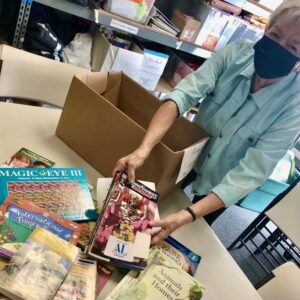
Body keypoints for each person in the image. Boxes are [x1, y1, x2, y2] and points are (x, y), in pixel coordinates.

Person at [113, 1, 300, 245]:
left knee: (185, 239)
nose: (279, 48)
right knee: (143, 212)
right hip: (187, 157)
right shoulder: (236, 53)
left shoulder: (294, 106)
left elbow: (251, 172)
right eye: (275, 36)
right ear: (266, 30)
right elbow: (183, 94)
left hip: (221, 184)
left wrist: (188, 214)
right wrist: (143, 149)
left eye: (293, 47)